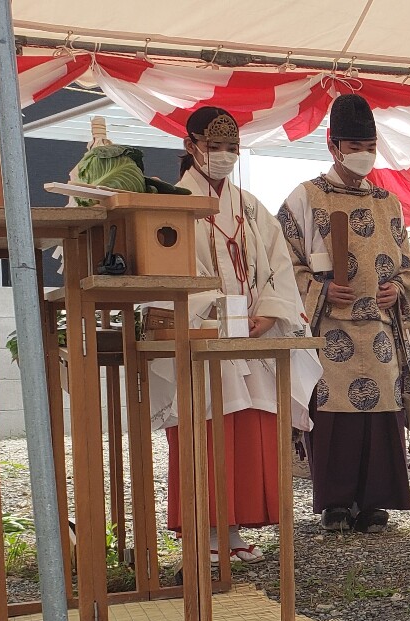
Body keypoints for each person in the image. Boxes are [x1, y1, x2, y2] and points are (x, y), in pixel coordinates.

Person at [148, 106, 321, 563]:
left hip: (252, 336)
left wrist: (269, 310)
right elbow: (170, 269)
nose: (223, 156)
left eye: (231, 149)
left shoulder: (250, 206)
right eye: (213, 147)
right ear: (190, 147)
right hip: (203, 334)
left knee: (248, 430)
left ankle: (232, 527)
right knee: (203, 426)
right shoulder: (172, 200)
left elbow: (277, 264)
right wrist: (219, 313)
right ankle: (201, 531)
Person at [278, 93, 410, 534]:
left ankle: (376, 499)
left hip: (380, 330)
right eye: (353, 145)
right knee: (334, 416)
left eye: (369, 146)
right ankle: (336, 502)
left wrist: (397, 289)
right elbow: (281, 266)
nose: (363, 154)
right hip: (328, 329)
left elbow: (409, 268)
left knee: (381, 416)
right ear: (331, 144)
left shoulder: (388, 203)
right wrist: (319, 289)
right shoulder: (304, 198)